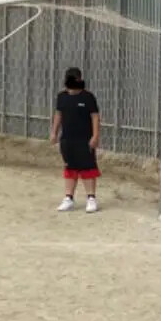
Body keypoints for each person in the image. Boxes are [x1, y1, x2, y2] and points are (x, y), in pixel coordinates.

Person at [51, 67, 101, 213]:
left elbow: (95, 117)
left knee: (88, 168)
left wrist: (95, 135)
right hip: (67, 139)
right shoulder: (62, 97)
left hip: (85, 139)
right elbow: (58, 114)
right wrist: (54, 132)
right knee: (70, 167)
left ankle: (91, 198)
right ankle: (68, 198)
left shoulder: (88, 97)